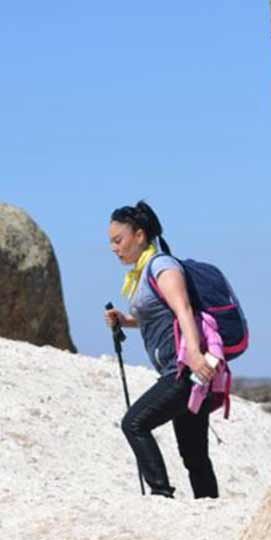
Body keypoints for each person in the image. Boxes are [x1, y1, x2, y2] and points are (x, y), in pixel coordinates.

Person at [105, 200, 219, 499]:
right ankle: (208, 505)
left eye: (119, 240)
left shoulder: (161, 266)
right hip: (185, 370)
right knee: (194, 454)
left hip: (182, 369)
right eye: (111, 242)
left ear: (139, 235)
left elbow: (183, 309)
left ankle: (161, 493)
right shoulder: (142, 273)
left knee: (134, 423)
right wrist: (125, 320)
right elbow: (159, 317)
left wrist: (194, 354)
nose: (114, 248)